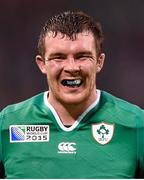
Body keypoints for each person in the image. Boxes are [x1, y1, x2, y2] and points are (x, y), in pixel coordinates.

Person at [0, 10, 144, 179]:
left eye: (82, 56)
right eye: (58, 57)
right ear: (42, 64)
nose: (71, 67)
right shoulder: (8, 125)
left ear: (99, 62)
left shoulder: (136, 125)